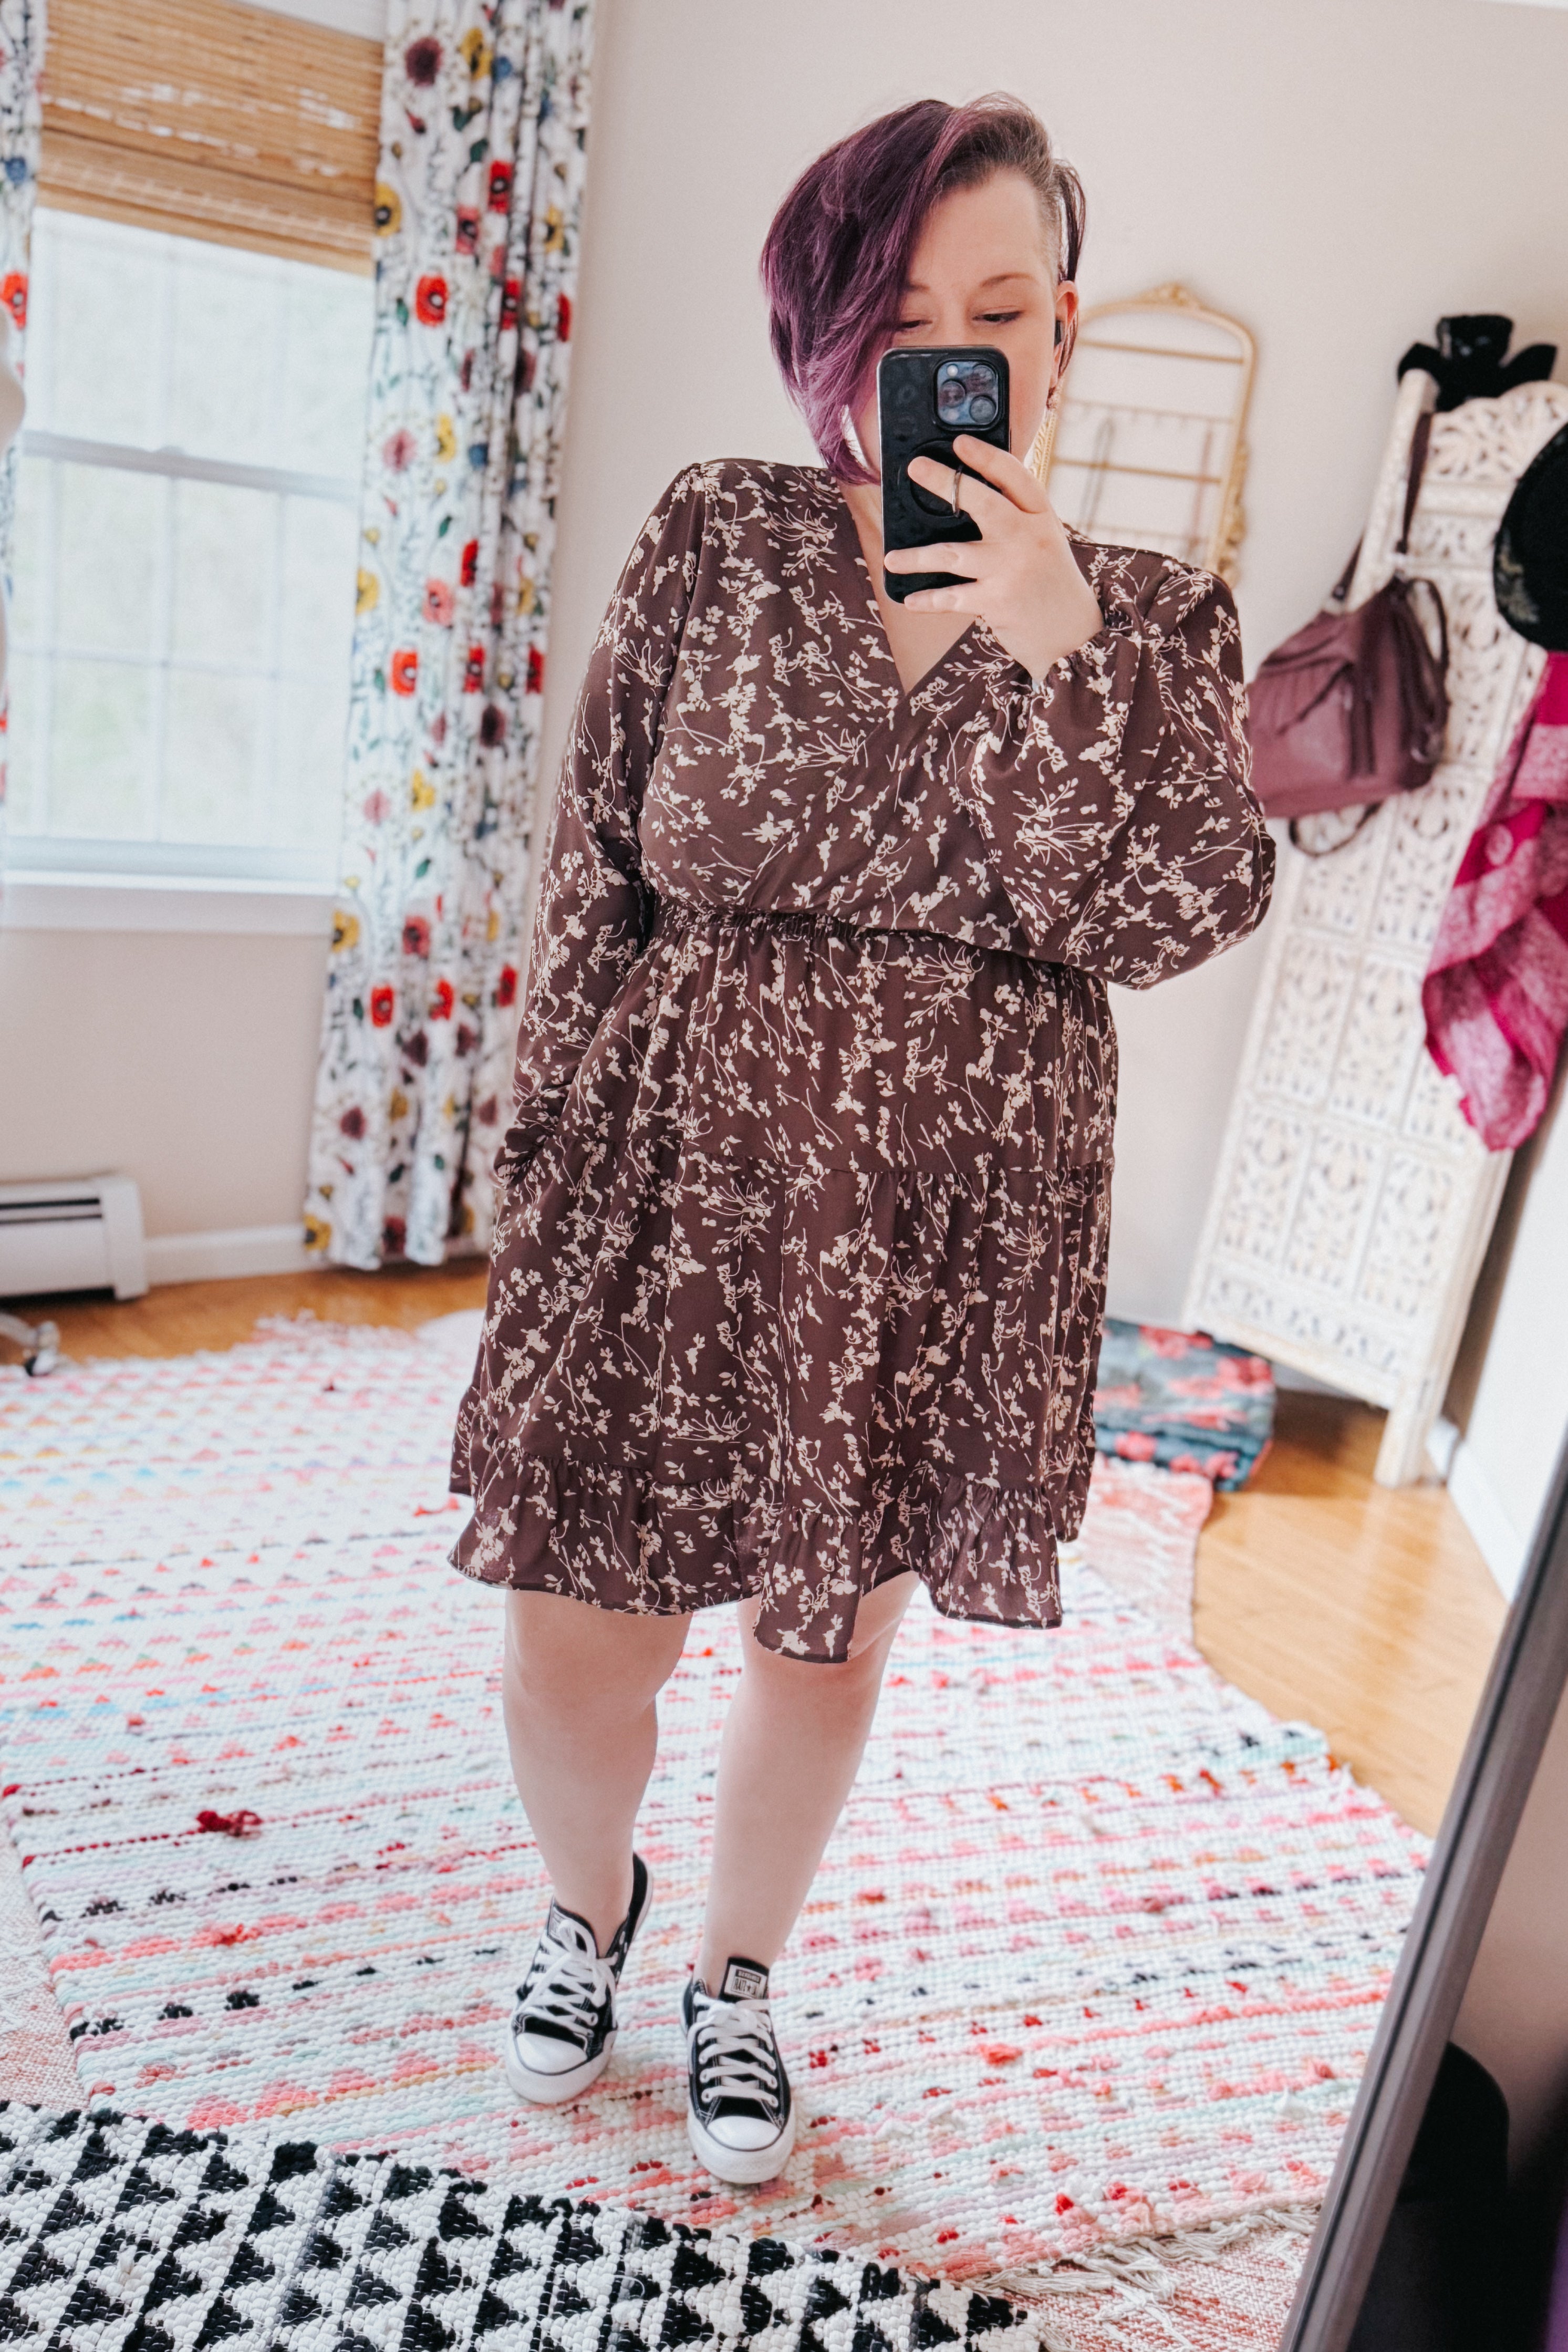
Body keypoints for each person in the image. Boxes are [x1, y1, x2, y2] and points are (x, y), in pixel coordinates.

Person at [449, 93, 1274, 2187]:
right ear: (838, 339)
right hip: (667, 1172)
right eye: (906, 316)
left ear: (1062, 337)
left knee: (824, 1646)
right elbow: (595, 867)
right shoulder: (723, 531)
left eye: (998, 313)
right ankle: (590, 1905)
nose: (951, 359)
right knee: (570, 1642)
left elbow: (1161, 916)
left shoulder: (1158, 627)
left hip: (938, 1221)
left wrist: (1051, 626)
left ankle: (735, 1969)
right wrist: (538, 1160)